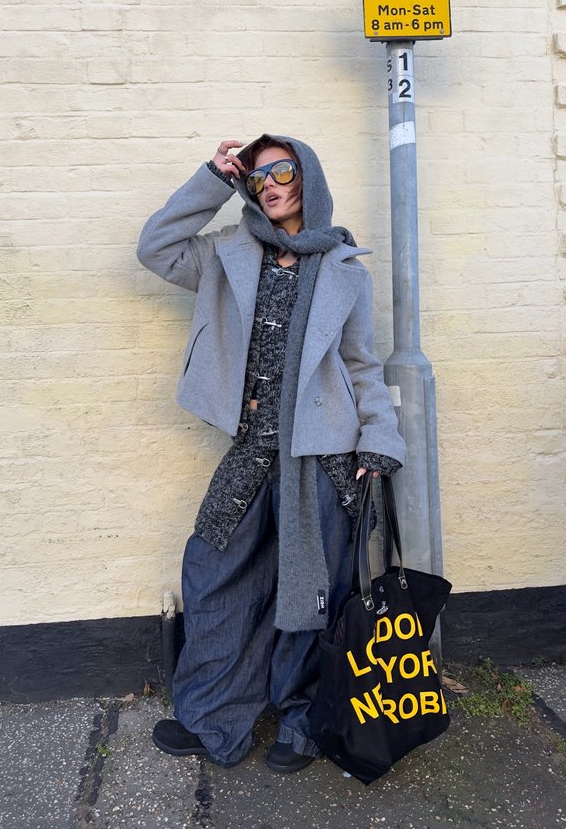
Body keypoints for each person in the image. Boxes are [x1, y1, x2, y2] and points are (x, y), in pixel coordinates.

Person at [136, 134, 406, 773]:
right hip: (253, 448)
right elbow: (155, 247)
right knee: (214, 569)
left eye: (283, 171)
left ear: (307, 175)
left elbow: (363, 366)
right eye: (258, 178)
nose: (272, 185)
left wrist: (380, 440)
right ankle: (211, 720)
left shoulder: (345, 271)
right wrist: (212, 178)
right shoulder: (227, 257)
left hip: (325, 455)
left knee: (310, 595)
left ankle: (303, 727)